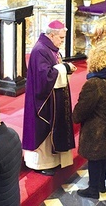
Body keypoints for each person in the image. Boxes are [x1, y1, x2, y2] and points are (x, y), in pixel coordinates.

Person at [22, 20, 77, 176]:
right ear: (52, 35)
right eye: (60, 37)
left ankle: (54, 160)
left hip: (53, 98)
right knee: (43, 129)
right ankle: (40, 164)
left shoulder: (50, 47)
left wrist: (64, 67)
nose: (62, 41)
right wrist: (64, 68)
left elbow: (54, 68)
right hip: (42, 101)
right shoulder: (40, 50)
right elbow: (44, 77)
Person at [73, 48, 106, 199]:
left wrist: (75, 117)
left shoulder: (93, 83)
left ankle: (93, 189)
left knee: (94, 157)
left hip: (97, 127)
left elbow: (83, 108)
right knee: (103, 156)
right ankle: (101, 184)